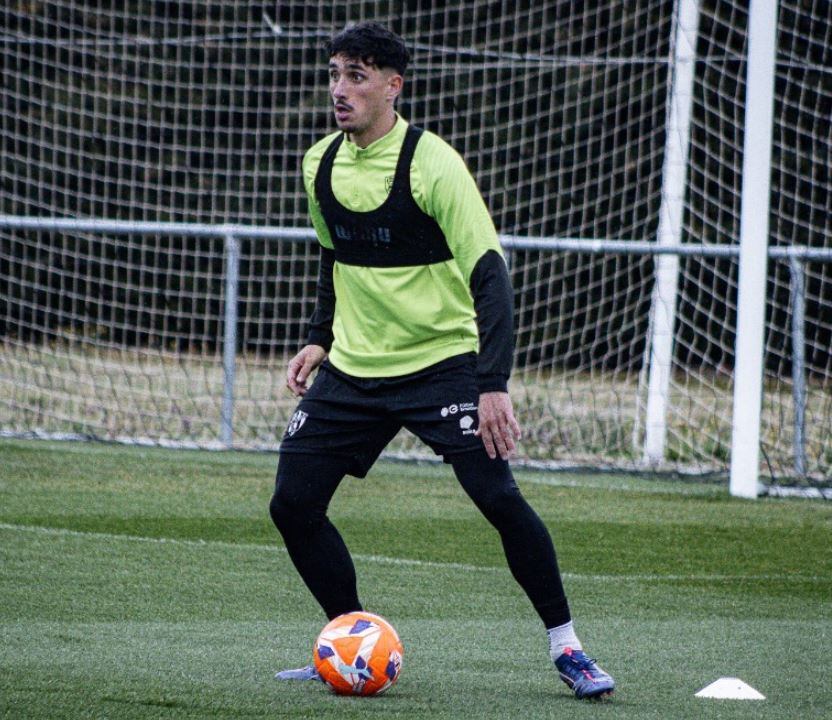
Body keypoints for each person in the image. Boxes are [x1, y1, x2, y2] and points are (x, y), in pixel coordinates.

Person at [270, 21, 614, 700]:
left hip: (440, 366)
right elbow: (332, 257)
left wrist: (492, 383)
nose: (340, 89)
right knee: (293, 505)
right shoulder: (319, 164)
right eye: (335, 74)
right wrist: (319, 336)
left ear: (393, 86)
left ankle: (568, 647)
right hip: (354, 369)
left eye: (357, 76)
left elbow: (491, 275)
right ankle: (351, 640)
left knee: (498, 497)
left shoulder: (433, 164)